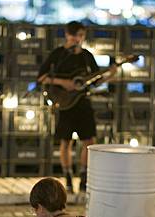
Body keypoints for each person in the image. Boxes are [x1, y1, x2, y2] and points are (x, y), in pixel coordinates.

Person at [37, 21, 116, 193]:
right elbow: (41, 78)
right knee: (66, 141)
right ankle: (67, 177)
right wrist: (63, 82)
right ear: (67, 35)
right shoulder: (58, 55)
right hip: (64, 102)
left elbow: (95, 81)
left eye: (80, 36)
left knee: (89, 141)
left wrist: (110, 75)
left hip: (83, 101)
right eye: (74, 36)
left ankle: (83, 176)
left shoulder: (87, 56)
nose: (77, 39)